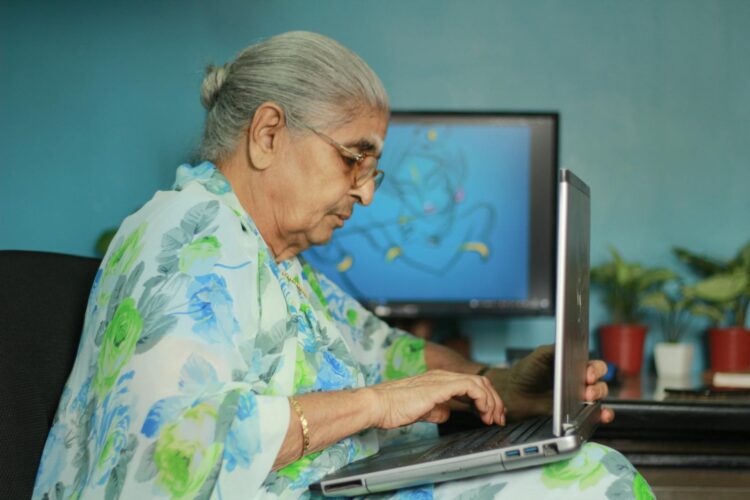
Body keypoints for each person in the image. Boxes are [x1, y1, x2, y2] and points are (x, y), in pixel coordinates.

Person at [33, 31, 652, 499]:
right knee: (591, 484)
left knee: (585, 471)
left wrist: (500, 383)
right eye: (355, 159)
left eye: (372, 168)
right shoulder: (187, 231)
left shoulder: (280, 262)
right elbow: (166, 453)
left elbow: (387, 354)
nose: (367, 193)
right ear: (268, 133)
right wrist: (377, 404)